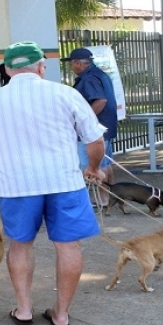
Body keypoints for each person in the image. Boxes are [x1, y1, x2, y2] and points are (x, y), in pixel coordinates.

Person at [0, 41, 106, 325]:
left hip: (16, 187)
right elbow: (95, 140)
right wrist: (93, 168)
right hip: (65, 182)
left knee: (20, 244)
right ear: (42, 67)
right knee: (68, 246)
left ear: (7, 69)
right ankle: (61, 314)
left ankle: (23, 310)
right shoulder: (65, 93)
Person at [61, 48, 118, 206]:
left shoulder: (89, 78)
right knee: (105, 163)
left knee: (94, 164)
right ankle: (111, 197)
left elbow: (100, 100)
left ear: (78, 63)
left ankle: (103, 200)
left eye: (72, 64)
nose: (72, 67)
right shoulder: (99, 74)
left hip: (95, 129)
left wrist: (84, 120)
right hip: (106, 125)